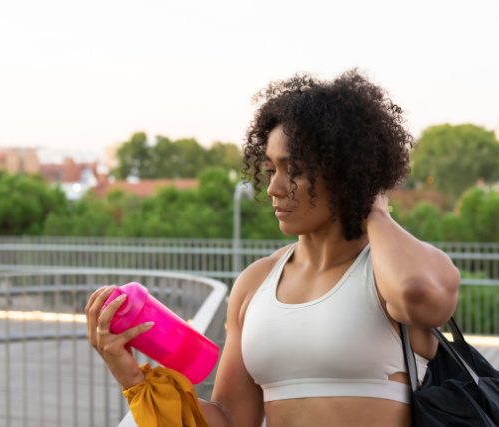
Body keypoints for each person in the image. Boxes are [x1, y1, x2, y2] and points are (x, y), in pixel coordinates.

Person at [86, 69, 461, 427]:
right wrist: (133, 377)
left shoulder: (390, 271)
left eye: (292, 169)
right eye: (270, 170)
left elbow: (420, 295)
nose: (273, 188)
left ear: (343, 172)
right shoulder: (255, 284)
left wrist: (373, 207)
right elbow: (231, 420)